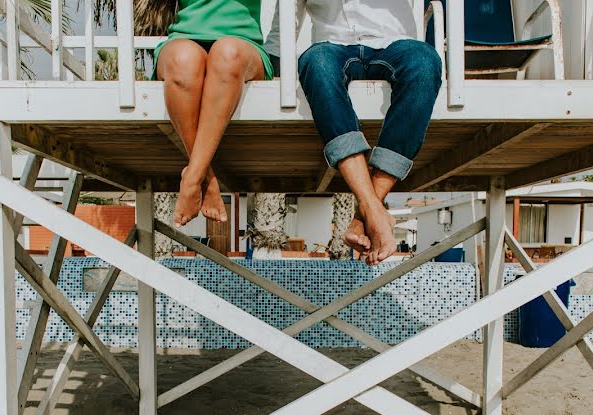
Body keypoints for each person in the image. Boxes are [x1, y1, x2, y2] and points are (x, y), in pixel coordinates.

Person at [265, 1, 442, 265]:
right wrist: (271, 77)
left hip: (395, 43)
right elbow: (285, 23)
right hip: (332, 46)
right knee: (314, 62)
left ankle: (364, 215)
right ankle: (373, 210)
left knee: (425, 62)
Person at [147, 0, 274, 228]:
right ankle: (206, 177)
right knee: (183, 60)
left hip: (243, 44)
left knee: (227, 53)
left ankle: (192, 179)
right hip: (182, 39)